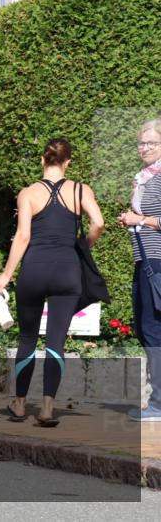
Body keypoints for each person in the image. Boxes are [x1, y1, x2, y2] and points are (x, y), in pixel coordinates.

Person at [0, 139, 104, 426]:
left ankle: (18, 405)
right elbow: (99, 223)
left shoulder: (28, 193)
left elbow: (23, 237)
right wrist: (84, 247)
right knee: (56, 340)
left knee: (27, 337)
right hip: (68, 270)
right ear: (68, 162)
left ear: (43, 160)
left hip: (34, 270)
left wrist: (6, 275)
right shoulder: (81, 190)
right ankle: (46, 409)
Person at [118, 119, 161, 421]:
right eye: (141, 143)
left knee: (153, 329)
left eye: (152, 143)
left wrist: (139, 220)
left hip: (157, 262)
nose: (144, 148)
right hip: (146, 261)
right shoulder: (145, 177)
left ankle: (159, 403)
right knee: (147, 327)